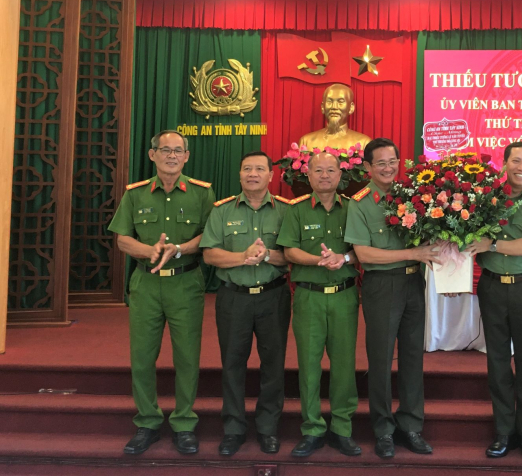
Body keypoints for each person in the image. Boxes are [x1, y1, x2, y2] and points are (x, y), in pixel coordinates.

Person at [109, 130, 215, 455]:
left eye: (178, 150)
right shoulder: (135, 194)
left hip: (186, 282)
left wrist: (180, 248)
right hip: (146, 283)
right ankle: (148, 422)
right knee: (142, 357)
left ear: (186, 156)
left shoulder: (202, 194)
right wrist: (147, 250)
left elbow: (210, 236)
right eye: (164, 150)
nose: (171, 155)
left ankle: (184, 423)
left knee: (186, 357)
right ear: (152, 155)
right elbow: (121, 238)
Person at [343, 137, 440, 459]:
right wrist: (414, 252)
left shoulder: (413, 196)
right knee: (381, 360)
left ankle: (411, 425)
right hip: (381, 287)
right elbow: (364, 253)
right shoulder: (360, 202)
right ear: (368, 167)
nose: (388, 168)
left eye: (392, 161)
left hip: (414, 284)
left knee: (413, 357)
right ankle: (383, 429)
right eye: (380, 163)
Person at [465, 142, 522, 461]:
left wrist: (493, 243)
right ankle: (503, 432)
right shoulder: (485, 199)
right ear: (504, 164)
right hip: (491, 287)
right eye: (516, 160)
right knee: (498, 361)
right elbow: (468, 238)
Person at [200, 151, 292, 457]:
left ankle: (267, 428)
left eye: (259, 169)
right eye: (247, 169)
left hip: (273, 296)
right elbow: (210, 254)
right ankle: (234, 428)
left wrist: (266, 255)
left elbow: (291, 256)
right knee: (232, 364)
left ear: (271, 176)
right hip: (233, 297)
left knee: (273, 365)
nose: (253, 174)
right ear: (239, 175)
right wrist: (242, 257)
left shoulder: (285, 211)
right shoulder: (222, 211)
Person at [277, 152, 361, 458]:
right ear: (308, 176)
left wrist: (345, 258)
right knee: (309, 366)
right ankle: (312, 428)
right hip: (309, 296)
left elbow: (360, 249)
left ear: (341, 176)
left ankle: (342, 427)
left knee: (343, 365)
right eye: (318, 171)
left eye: (330, 170)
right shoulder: (297, 210)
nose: (324, 176)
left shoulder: (353, 209)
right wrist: (319, 261)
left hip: (344, 296)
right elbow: (288, 251)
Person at [298, 83, 372, 150]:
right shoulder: (306, 142)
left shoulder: (364, 143)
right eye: (329, 101)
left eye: (340, 102)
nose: (334, 107)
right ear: (322, 107)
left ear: (351, 108)